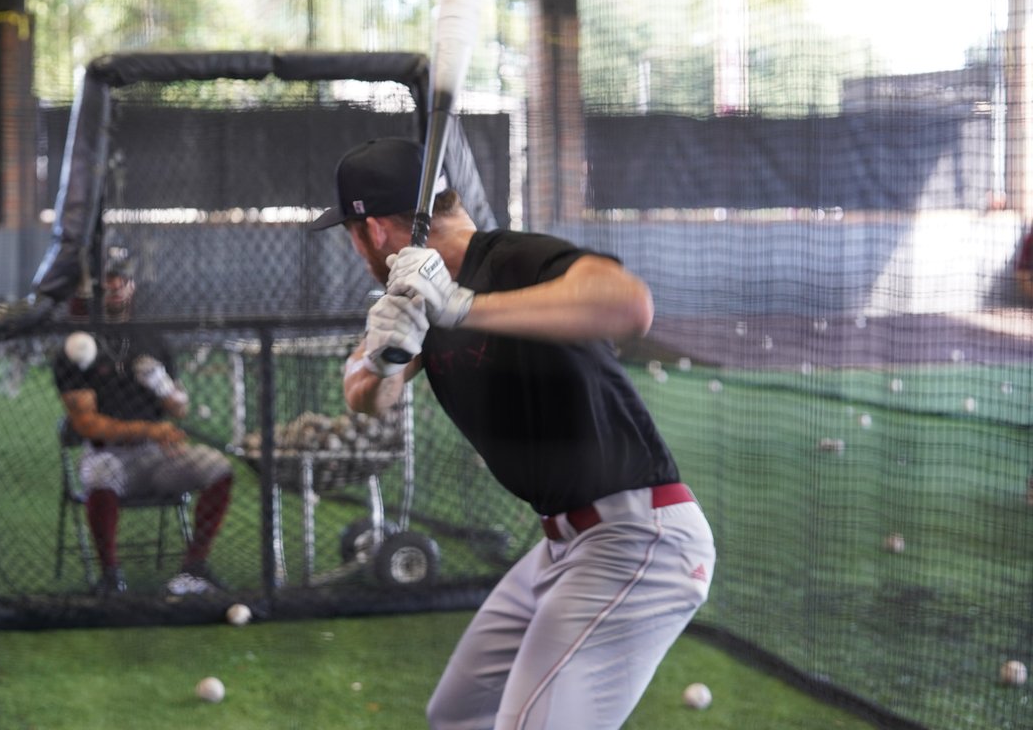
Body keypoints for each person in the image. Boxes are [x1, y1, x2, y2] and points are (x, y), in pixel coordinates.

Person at [310, 137, 716, 730]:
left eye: (350, 233)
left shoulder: (509, 260)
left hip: (639, 539)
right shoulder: (418, 291)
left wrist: (461, 307)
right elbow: (364, 398)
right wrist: (383, 357)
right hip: (562, 546)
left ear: (371, 230)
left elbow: (630, 306)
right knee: (459, 712)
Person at [52, 245, 234, 596]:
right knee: (100, 473)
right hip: (107, 455)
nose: (116, 283)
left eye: (122, 276)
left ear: (132, 284)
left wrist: (164, 387)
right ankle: (110, 577)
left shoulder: (152, 338)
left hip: (156, 456)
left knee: (218, 468)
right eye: (108, 277)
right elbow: (87, 425)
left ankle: (194, 567)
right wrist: (150, 428)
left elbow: (180, 409)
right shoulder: (76, 345)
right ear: (94, 287)